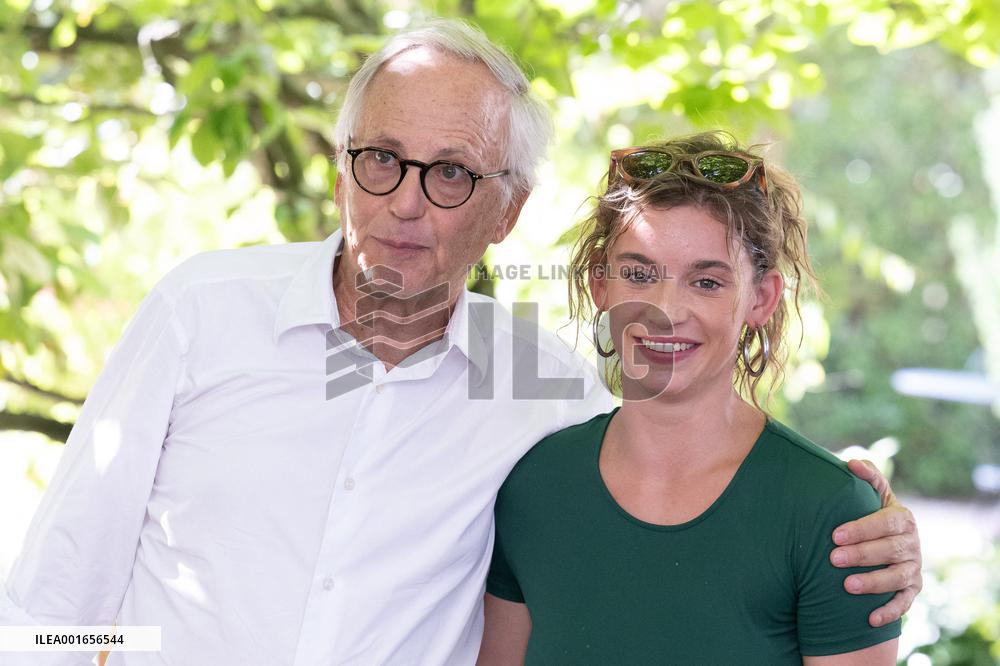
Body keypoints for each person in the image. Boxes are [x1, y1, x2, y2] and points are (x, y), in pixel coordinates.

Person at [1, 20, 918, 666]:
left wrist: (857, 512)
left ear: (507, 210)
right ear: (343, 167)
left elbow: (688, 457)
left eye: (450, 174)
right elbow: (52, 607)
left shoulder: (546, 383)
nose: (404, 201)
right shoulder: (201, 314)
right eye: (382, 159)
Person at [478, 132, 906, 664]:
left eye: (706, 282)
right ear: (600, 287)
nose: (665, 309)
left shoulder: (833, 515)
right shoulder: (533, 486)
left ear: (761, 298)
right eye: (638, 274)